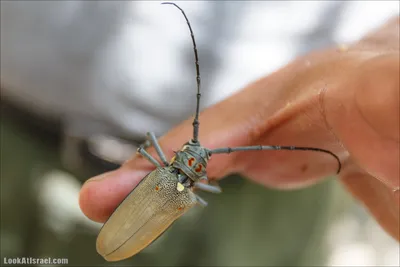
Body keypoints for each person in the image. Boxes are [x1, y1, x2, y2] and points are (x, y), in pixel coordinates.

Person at [1, 1, 398, 266]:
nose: (197, 153)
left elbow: (154, 150)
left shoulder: (164, 171)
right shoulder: (186, 192)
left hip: (271, 197)